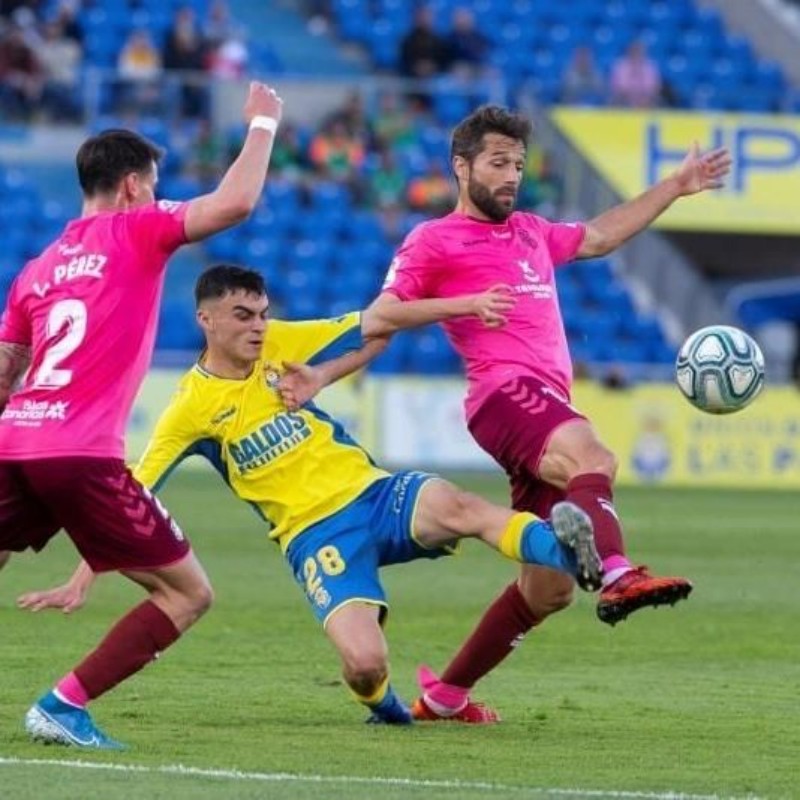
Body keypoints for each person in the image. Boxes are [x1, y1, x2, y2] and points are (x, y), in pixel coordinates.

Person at [275, 104, 731, 722]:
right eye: (497, 162)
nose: (512, 175)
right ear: (461, 167)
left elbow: (599, 236)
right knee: (594, 457)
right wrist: (328, 371)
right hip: (503, 396)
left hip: (542, 402)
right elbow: (381, 318)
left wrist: (675, 187)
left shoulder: (531, 231)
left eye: (518, 163)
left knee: (547, 590)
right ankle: (619, 571)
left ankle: (444, 696)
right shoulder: (433, 240)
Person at [17, 265, 603, 725]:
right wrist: (89, 569)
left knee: (461, 506)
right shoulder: (189, 410)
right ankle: (386, 708)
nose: (257, 327)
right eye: (243, 315)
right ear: (206, 320)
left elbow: (377, 321)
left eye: (263, 315)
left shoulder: (280, 344)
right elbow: (134, 492)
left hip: (373, 493)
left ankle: (569, 551)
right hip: (315, 538)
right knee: (365, 662)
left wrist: (466, 305)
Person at [0, 80, 284, 749]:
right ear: (132, 186)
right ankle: (64, 705)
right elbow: (236, 202)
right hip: (81, 453)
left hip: (16, 443)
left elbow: (4, 373)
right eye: (153, 186)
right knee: (188, 594)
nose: (157, 198)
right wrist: (264, 125)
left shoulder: (38, 268)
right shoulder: (138, 229)